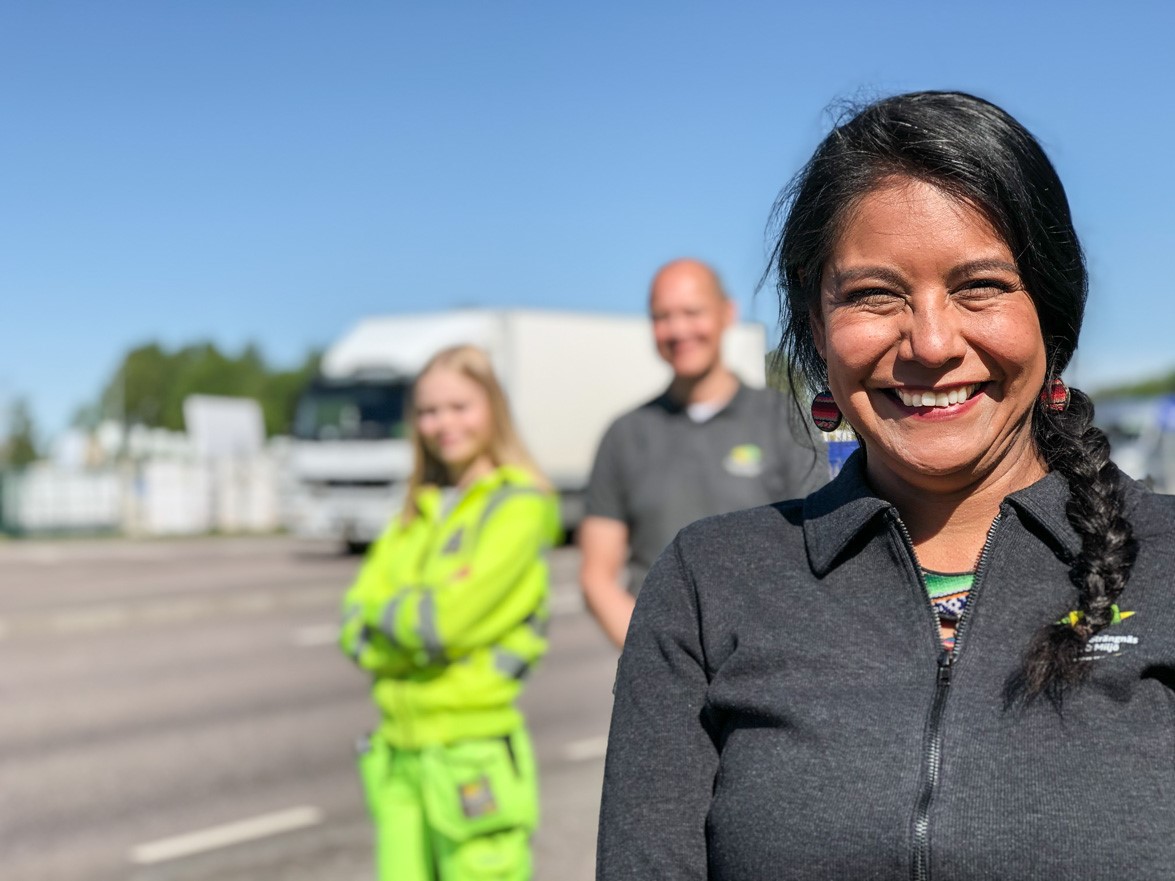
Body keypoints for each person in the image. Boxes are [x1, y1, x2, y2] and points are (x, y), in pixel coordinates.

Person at [597, 92, 1175, 880]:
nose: (931, 343)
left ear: (1050, 314)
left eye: (979, 286)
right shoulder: (709, 584)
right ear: (815, 324)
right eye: (875, 294)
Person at [339, 344, 559, 881]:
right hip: (398, 753)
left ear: (493, 409)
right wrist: (411, 622)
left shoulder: (519, 506)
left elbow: (447, 623)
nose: (443, 424)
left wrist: (392, 620)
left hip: (471, 754)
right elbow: (352, 626)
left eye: (459, 406)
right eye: (429, 411)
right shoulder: (415, 510)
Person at [579, 258, 827, 647]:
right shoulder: (625, 435)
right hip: (660, 676)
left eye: (692, 312)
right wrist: (655, 658)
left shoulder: (784, 420)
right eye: (663, 316)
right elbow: (596, 576)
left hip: (767, 665)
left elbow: (815, 554)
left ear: (727, 313)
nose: (678, 329)